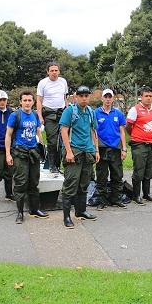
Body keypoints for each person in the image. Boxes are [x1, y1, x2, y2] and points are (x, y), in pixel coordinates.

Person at [5, 91, 48, 224]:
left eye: (30, 100)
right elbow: (8, 135)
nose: (27, 103)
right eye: (25, 100)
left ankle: (34, 209)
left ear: (33, 102)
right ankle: (19, 213)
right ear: (20, 102)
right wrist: (8, 154)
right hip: (20, 153)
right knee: (20, 183)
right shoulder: (15, 115)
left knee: (34, 182)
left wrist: (42, 147)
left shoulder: (35, 114)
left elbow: (38, 132)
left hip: (33, 152)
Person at [60, 85, 99, 229]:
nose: (84, 98)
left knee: (84, 184)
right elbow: (64, 131)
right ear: (76, 97)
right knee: (71, 184)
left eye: (86, 96)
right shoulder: (70, 111)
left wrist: (96, 150)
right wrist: (68, 151)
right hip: (74, 151)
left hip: (88, 152)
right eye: (81, 96)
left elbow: (94, 131)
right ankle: (66, 217)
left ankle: (81, 211)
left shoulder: (90, 112)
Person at [126, 86, 152, 205]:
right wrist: (136, 136)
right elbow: (128, 126)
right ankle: (136, 195)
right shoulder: (135, 109)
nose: (148, 98)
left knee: (150, 169)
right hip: (139, 144)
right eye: (146, 96)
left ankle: (147, 194)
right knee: (139, 169)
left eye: (150, 96)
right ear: (141, 97)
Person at [94, 89, 128, 210]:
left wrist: (124, 149)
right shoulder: (96, 113)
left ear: (113, 99)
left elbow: (122, 132)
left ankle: (116, 199)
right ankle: (102, 201)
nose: (108, 99)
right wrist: (95, 149)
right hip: (101, 148)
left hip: (115, 148)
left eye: (110, 97)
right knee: (102, 176)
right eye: (105, 97)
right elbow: (94, 132)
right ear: (102, 98)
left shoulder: (118, 114)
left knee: (117, 175)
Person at [37, 62, 68, 173]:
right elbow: (39, 101)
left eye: (56, 70)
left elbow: (65, 98)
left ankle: (59, 164)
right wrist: (40, 116)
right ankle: (52, 165)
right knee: (52, 140)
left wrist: (68, 111)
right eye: (52, 70)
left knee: (63, 140)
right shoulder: (43, 83)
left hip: (62, 113)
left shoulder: (63, 81)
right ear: (48, 72)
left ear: (59, 71)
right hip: (49, 114)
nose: (54, 72)